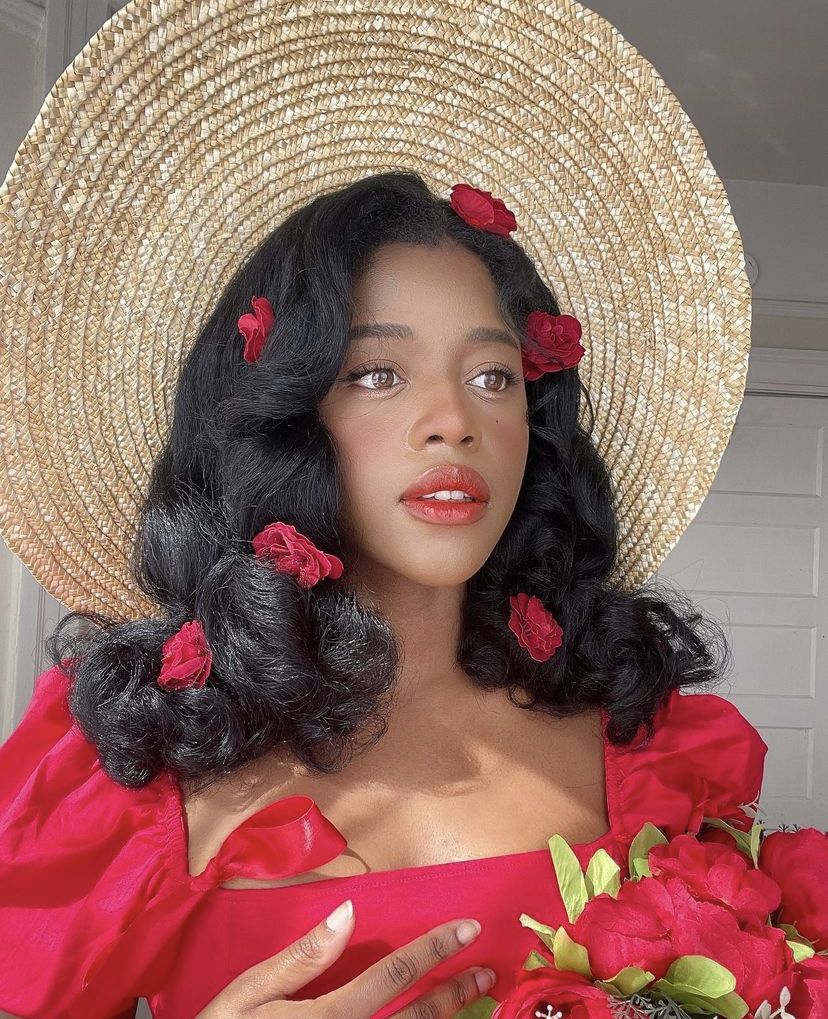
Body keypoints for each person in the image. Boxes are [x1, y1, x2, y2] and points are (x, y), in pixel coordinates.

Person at [0, 3, 762, 1018]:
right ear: (281, 411)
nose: (454, 419)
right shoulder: (131, 756)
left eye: (493, 376)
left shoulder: (650, 748)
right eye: (376, 373)